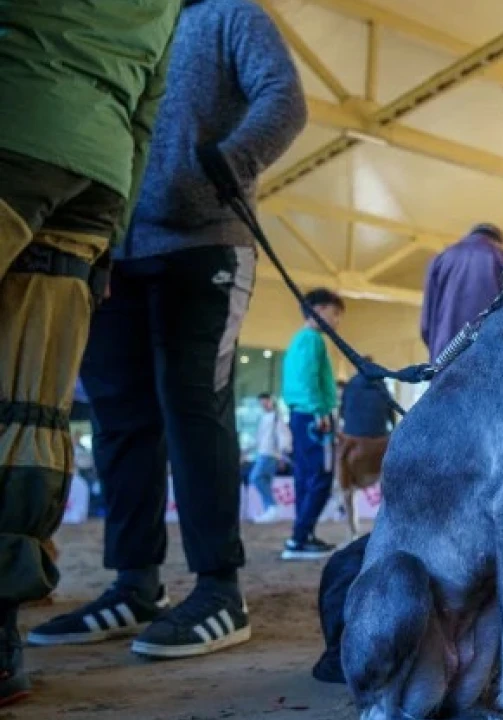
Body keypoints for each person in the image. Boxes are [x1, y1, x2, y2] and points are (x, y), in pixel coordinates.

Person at [31, 0, 306, 662]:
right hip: (117, 250)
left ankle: (220, 590)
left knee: (194, 409)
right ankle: (134, 583)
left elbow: (284, 99)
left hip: (205, 243)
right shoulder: (129, 23)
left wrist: (220, 167)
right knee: (124, 420)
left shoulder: (229, 15)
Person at [0, 4, 178, 701]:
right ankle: (3, 634)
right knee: (26, 413)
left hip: (12, 126)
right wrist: (113, 230)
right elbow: (149, 106)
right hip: (94, 179)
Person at [281, 288, 345, 560]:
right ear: (320, 309)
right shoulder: (314, 341)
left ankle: (303, 535)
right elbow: (308, 379)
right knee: (321, 476)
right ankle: (298, 539)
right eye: (335, 313)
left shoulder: (298, 340)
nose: (337, 320)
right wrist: (321, 413)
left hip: (300, 415)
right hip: (313, 417)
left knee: (305, 478)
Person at [420, 223, 503, 360]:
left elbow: (426, 325)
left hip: (446, 359)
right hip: (495, 359)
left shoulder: (441, 259)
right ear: (498, 240)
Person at [249, 394, 290, 524]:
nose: (264, 404)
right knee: (265, 480)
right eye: (261, 402)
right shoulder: (264, 418)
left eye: (266, 401)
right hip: (262, 453)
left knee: (255, 478)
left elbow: (283, 435)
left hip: (270, 454)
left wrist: (283, 453)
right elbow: (259, 438)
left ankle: (272, 506)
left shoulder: (276, 417)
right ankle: (270, 510)